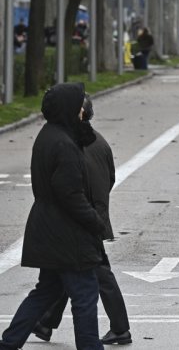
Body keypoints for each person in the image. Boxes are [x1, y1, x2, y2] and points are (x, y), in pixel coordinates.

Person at [0, 83, 107, 350]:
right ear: (68, 109)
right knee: (84, 295)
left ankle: (9, 342)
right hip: (67, 235)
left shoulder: (49, 135)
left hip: (47, 228)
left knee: (45, 291)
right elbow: (70, 195)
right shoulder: (64, 144)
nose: (83, 109)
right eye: (79, 104)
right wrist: (95, 221)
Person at [33, 97, 132, 346]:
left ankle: (120, 327)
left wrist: (86, 215)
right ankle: (45, 323)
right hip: (92, 216)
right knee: (66, 272)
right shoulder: (98, 141)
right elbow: (110, 179)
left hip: (84, 220)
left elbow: (70, 187)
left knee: (97, 274)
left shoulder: (76, 143)